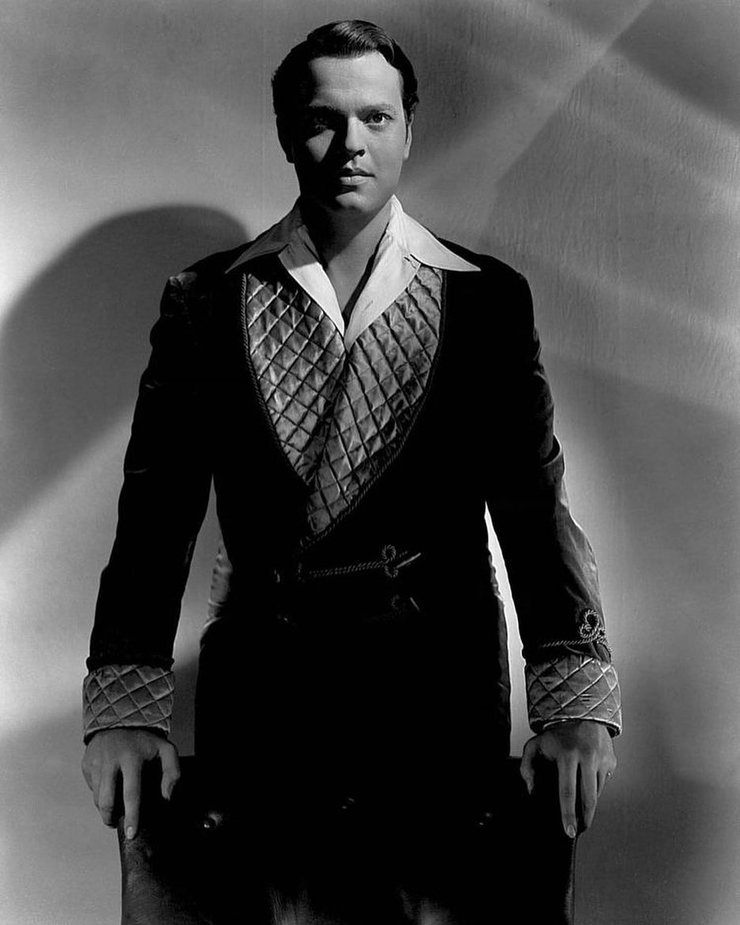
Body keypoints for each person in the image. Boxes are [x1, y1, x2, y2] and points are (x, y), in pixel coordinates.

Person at [82, 19, 621, 922]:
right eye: (322, 120)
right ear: (287, 133)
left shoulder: (486, 299)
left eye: (375, 117)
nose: (350, 145)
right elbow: (155, 513)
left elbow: (535, 506)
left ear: (409, 128)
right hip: (265, 679)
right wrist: (122, 705)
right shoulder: (206, 299)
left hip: (439, 679)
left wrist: (573, 701)